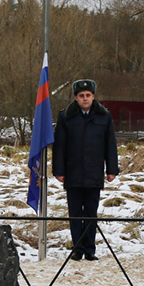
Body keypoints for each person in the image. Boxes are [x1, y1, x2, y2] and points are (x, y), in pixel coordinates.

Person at [52, 79, 119, 261]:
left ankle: (90, 249)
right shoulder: (66, 116)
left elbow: (110, 144)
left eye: (88, 95)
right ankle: (77, 248)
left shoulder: (104, 116)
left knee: (91, 212)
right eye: (81, 96)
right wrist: (59, 170)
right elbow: (60, 146)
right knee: (75, 213)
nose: (85, 99)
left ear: (93, 96)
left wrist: (112, 169)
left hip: (94, 172)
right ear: (76, 97)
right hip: (73, 173)